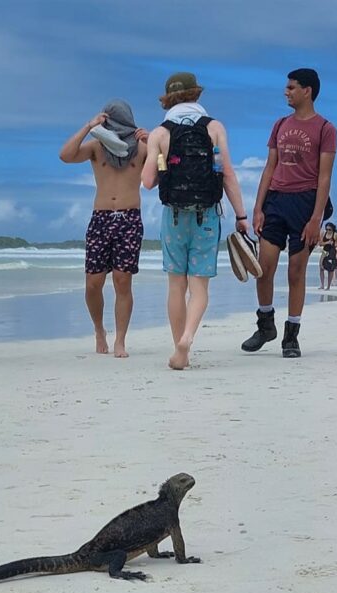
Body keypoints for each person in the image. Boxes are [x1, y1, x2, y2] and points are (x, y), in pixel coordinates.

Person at [141, 72, 249, 370]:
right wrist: (241, 216)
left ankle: (181, 351)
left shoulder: (160, 133)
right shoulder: (214, 127)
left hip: (173, 216)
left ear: (168, 98)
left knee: (176, 284)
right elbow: (228, 175)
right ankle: (188, 336)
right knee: (199, 287)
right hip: (207, 215)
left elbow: (148, 181)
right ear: (196, 95)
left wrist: (153, 152)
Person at [241, 68, 337, 358]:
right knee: (263, 267)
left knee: (296, 272)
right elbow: (269, 167)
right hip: (276, 200)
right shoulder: (280, 124)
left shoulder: (325, 129)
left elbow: (324, 177)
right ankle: (265, 324)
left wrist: (315, 219)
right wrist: (258, 207)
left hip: (305, 202)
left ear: (307, 91)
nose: (286, 92)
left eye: (291, 87)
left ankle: (291, 335)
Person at [59, 100, 149, 358]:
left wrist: (154, 140)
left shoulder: (142, 148)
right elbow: (65, 155)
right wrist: (88, 127)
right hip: (101, 218)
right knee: (93, 283)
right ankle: (99, 330)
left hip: (130, 217)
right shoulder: (97, 147)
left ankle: (120, 340)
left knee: (123, 281)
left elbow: (165, 167)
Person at [318, 222, 337, 290]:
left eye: (329, 229)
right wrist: (327, 242)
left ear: (332, 229)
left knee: (330, 268)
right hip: (325, 251)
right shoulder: (323, 233)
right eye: (327, 229)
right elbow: (320, 243)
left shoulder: (335, 234)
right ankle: (322, 285)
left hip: (332, 251)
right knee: (321, 266)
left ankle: (328, 286)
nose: (328, 231)